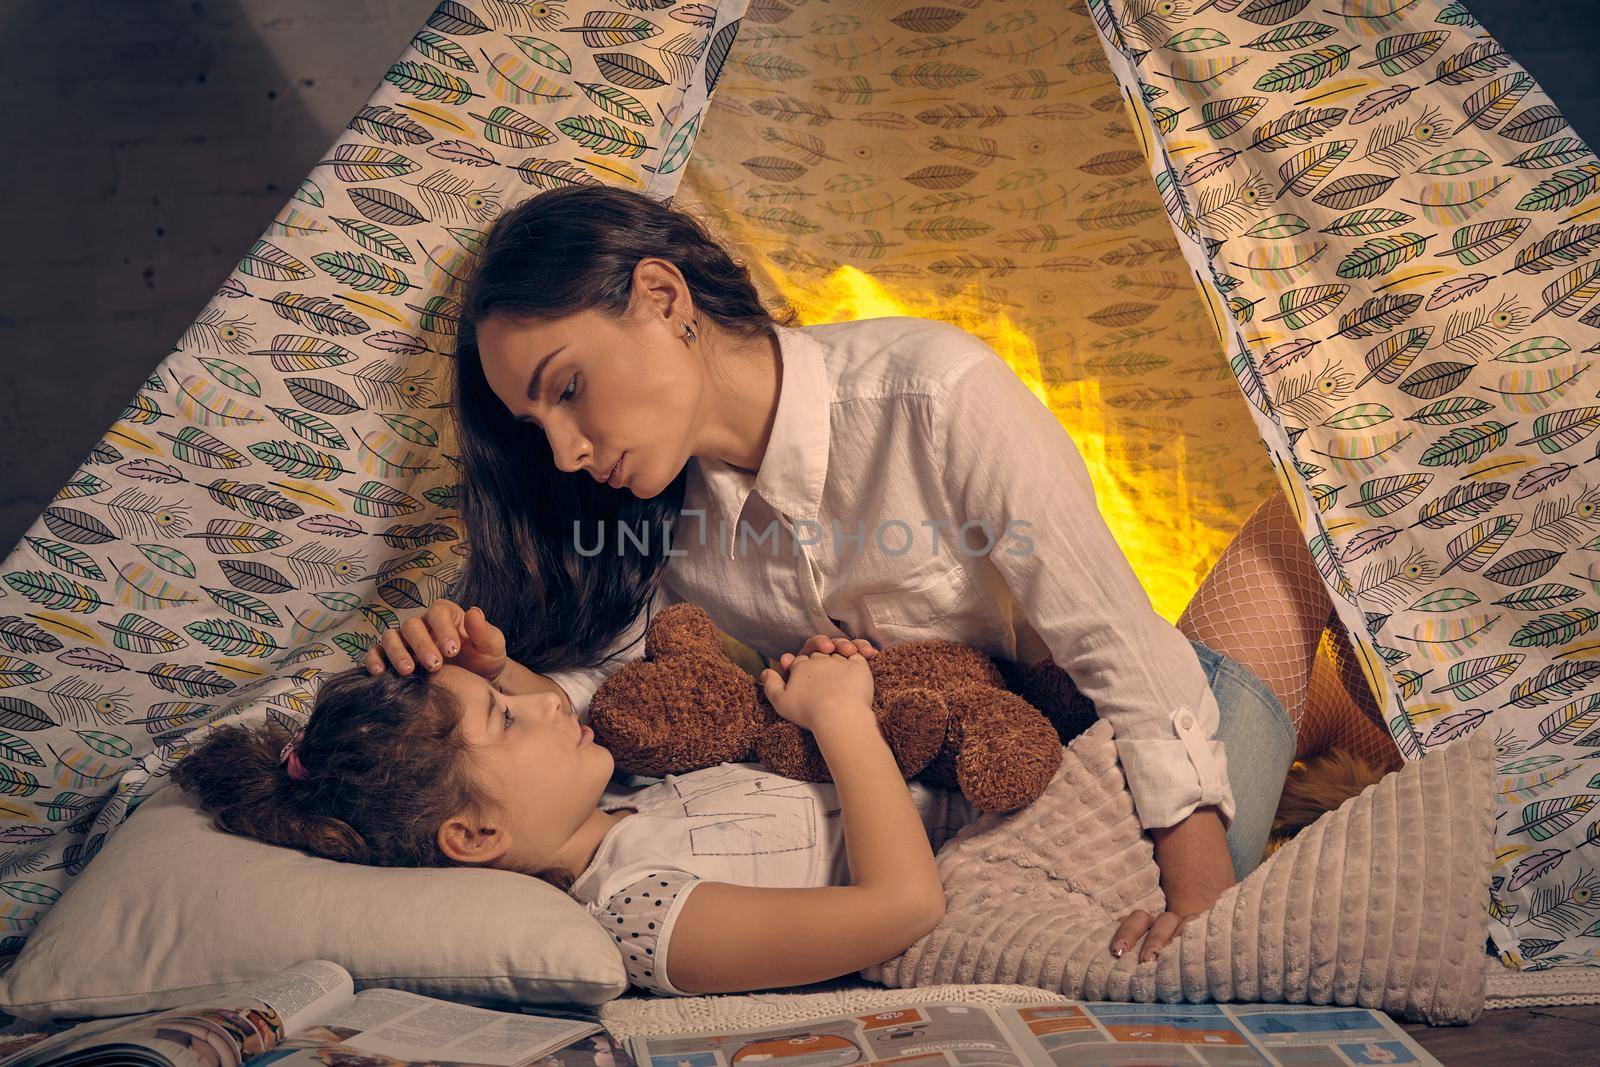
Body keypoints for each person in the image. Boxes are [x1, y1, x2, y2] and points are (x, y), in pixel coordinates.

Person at [365, 185, 1380, 965]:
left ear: (661, 299)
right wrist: (496, 673)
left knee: (1309, 503)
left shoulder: (935, 394)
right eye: (535, 425)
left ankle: (1350, 720)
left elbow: (1129, 664)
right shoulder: (655, 507)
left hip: (1093, 762)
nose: (563, 451)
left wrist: (1196, 904)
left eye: (568, 390)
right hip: (946, 842)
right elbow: (620, 692)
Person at [173, 606, 975, 996]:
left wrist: (491, 666)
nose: (550, 703)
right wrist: (839, 715)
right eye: (506, 715)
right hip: (989, 865)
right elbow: (903, 905)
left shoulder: (623, 798)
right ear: (478, 834)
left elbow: (540, 726)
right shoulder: (643, 913)